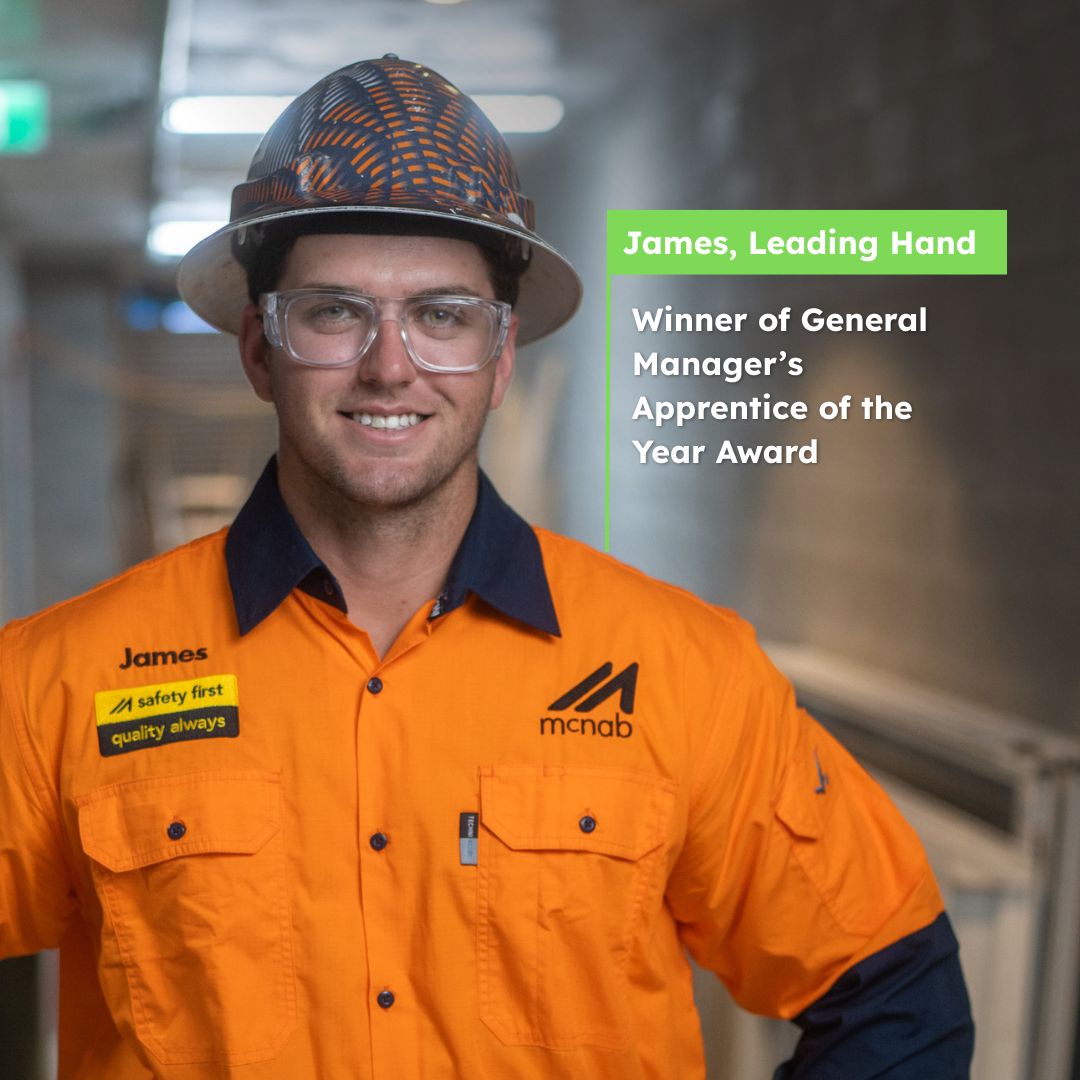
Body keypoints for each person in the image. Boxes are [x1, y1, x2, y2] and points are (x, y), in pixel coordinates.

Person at [0, 56, 972, 1079]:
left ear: (501, 358)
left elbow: (894, 984)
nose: (389, 365)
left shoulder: (688, 675)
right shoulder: (65, 681)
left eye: (442, 315)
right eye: (335, 311)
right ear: (260, 348)